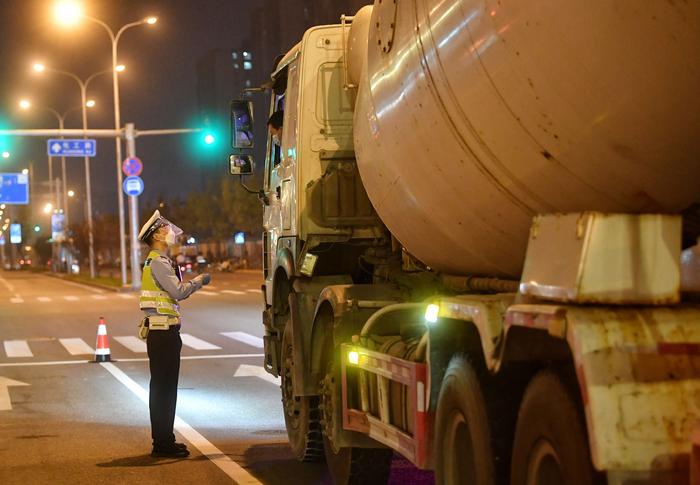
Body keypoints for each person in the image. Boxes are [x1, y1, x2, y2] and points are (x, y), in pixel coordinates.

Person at [137, 210, 211, 458]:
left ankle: (164, 440)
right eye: (166, 230)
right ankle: (162, 444)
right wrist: (200, 280)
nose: (171, 233)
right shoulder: (158, 261)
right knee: (164, 390)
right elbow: (178, 292)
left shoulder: (156, 261)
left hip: (162, 333)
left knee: (162, 389)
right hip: (163, 334)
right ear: (157, 235)